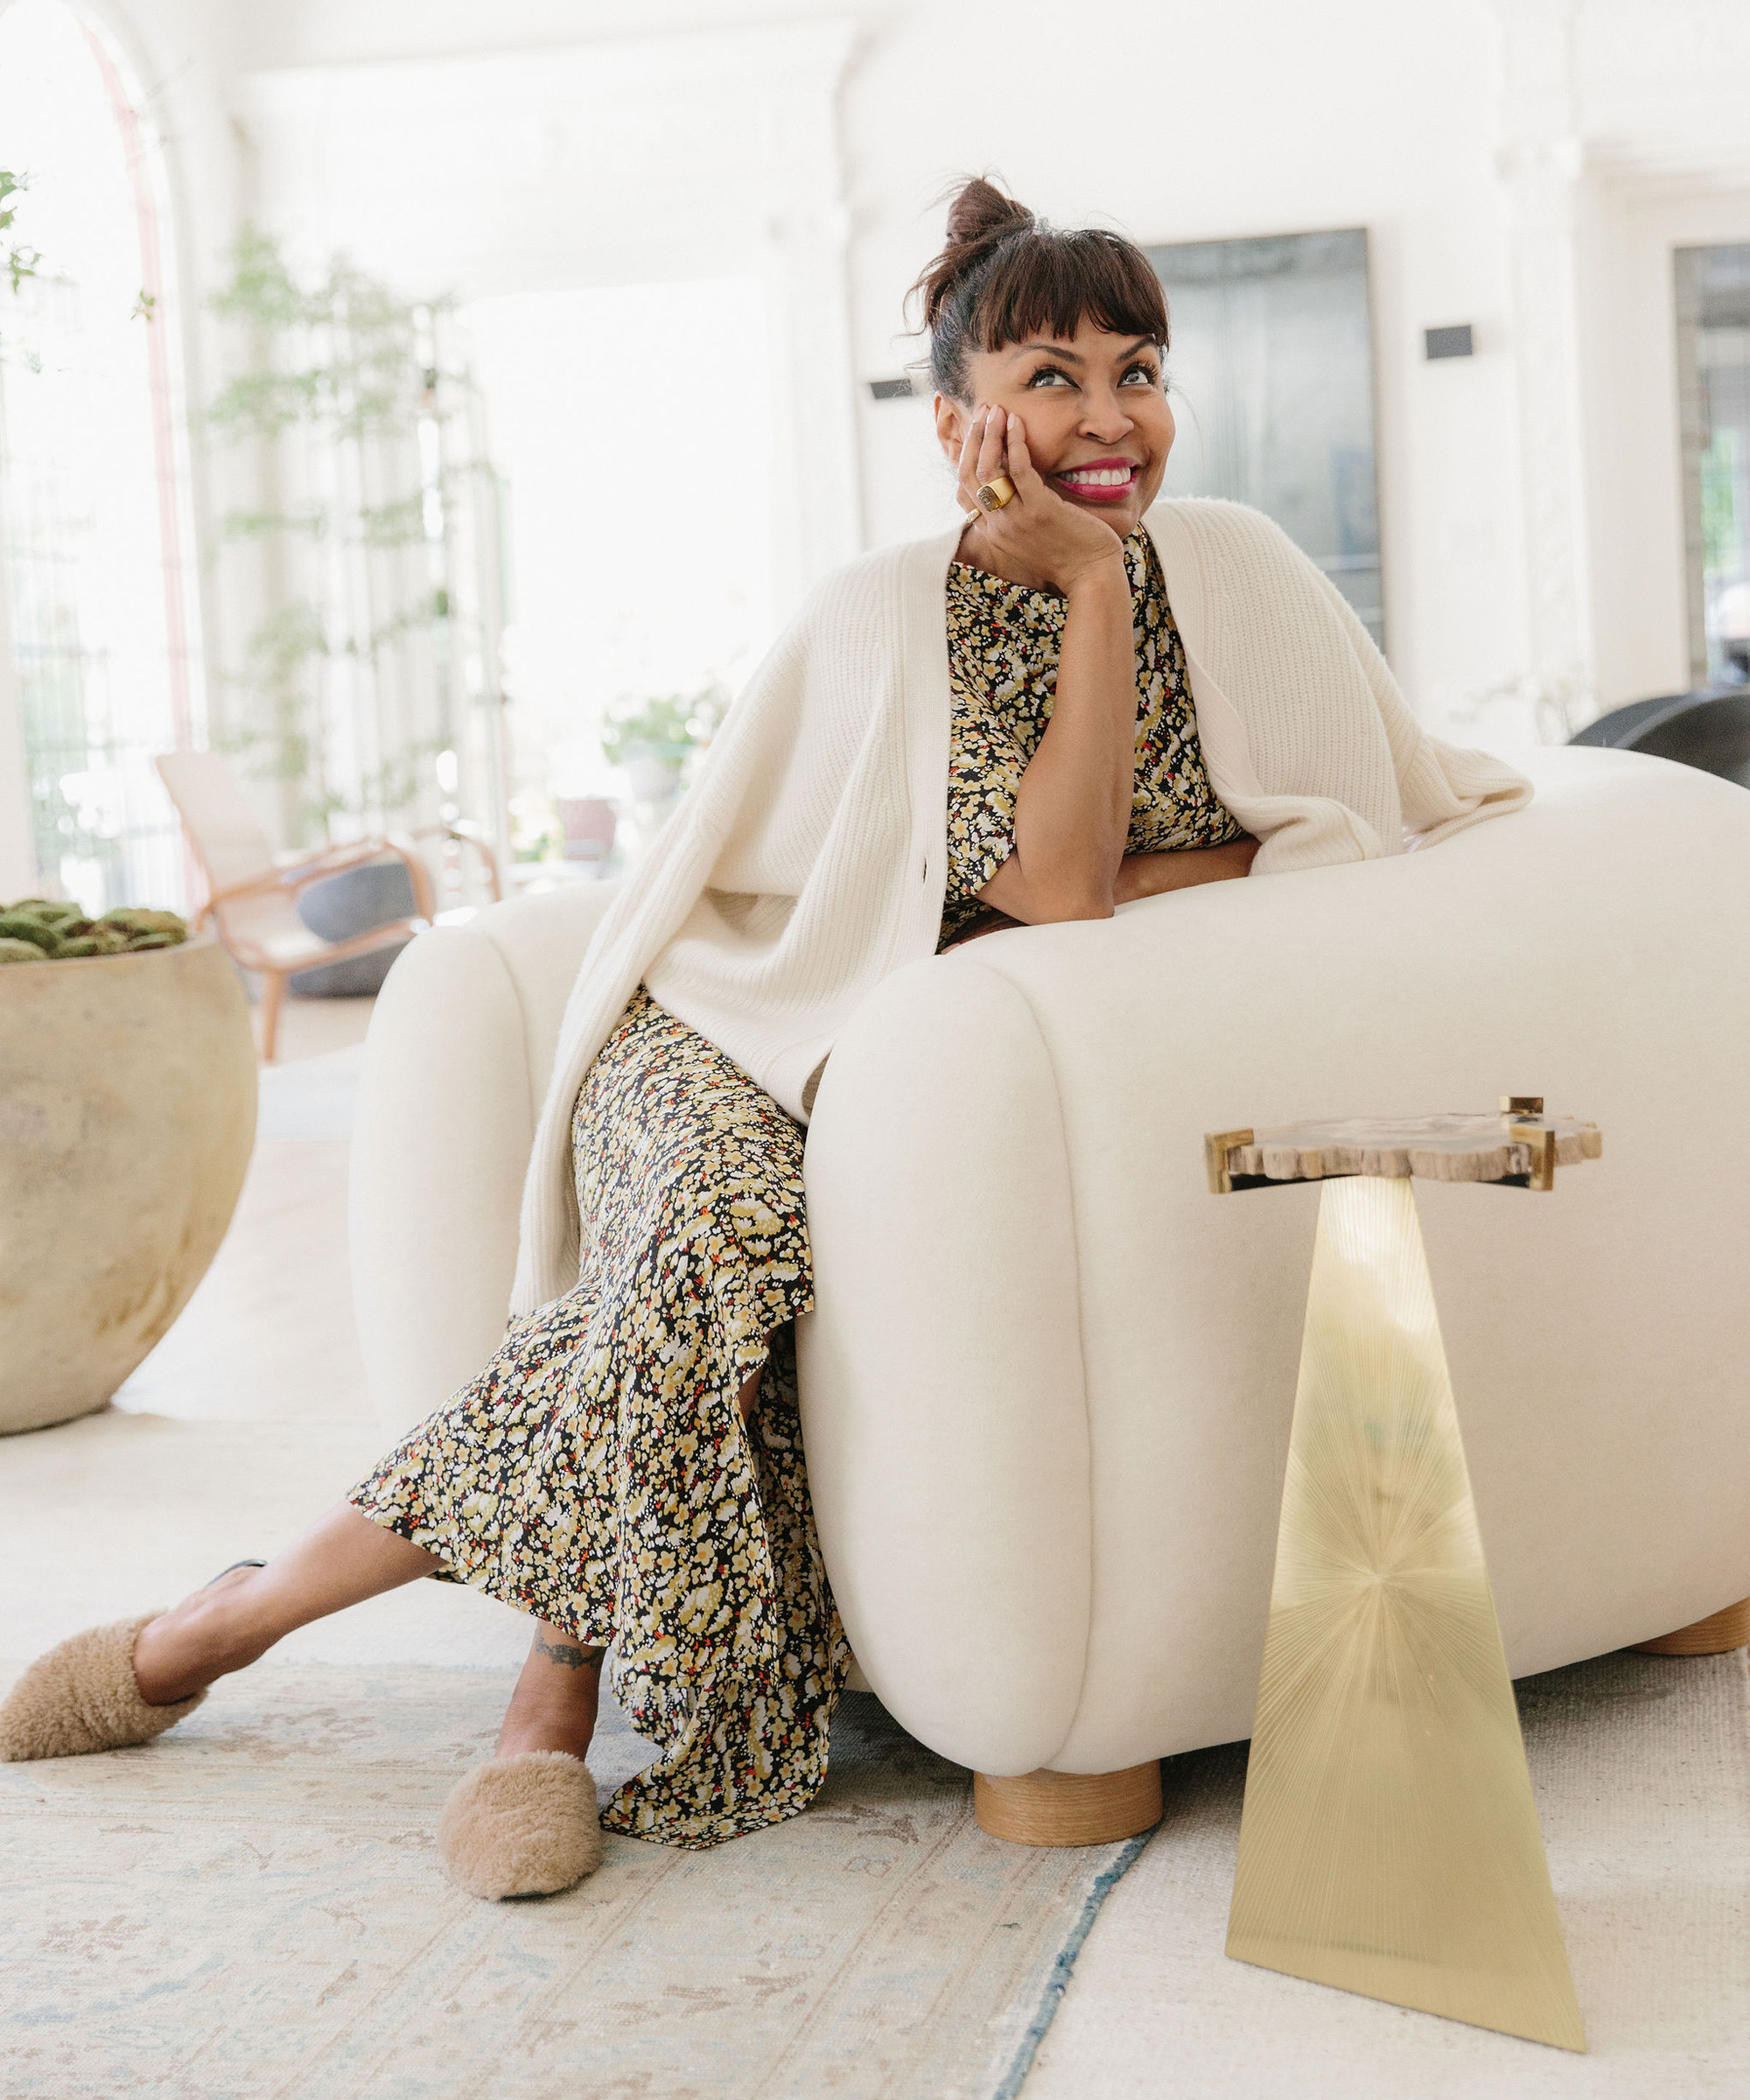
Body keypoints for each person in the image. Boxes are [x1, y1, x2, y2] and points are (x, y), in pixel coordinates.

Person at [0, 178, 1530, 1898]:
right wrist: (1102, 729)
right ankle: (543, 1695)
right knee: (721, 1236)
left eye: (1138, 367)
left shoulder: (1230, 569)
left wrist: (1099, 599)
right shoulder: (884, 610)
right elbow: (1054, 886)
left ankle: (232, 1611)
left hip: (920, 1070)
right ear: (955, 422)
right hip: (731, 1029)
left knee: (720, 1279)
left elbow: (1300, 832)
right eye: (1048, 376)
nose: (1107, 415)